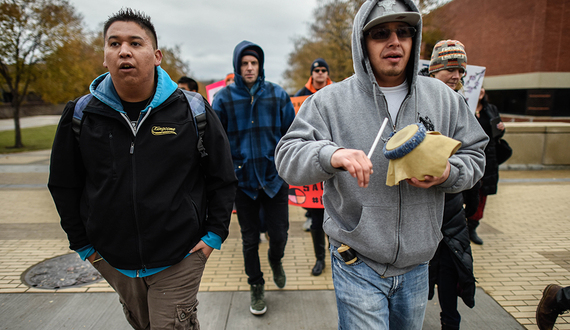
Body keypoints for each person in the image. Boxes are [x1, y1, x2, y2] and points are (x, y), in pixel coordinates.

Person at [275, 0, 488, 329]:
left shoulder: (444, 98)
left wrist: (448, 173)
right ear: (362, 42)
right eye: (380, 33)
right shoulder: (329, 101)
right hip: (356, 262)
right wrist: (331, 155)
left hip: (418, 265)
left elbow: (476, 155)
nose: (394, 41)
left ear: (414, 40)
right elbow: (287, 157)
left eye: (404, 32)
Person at [47, 8, 237, 330]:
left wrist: (213, 236)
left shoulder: (192, 110)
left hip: (181, 255)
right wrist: (84, 246)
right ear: (105, 57)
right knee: (142, 323)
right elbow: (65, 184)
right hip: (112, 259)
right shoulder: (81, 115)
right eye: (114, 43)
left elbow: (222, 177)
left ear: (156, 55)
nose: (124, 51)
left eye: (136, 43)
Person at [212, 40, 295, 316]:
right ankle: (256, 285)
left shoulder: (277, 95)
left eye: (254, 63)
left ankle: (276, 259)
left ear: (260, 66)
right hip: (243, 183)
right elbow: (217, 142)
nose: (249, 68)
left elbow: (291, 136)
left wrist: (285, 167)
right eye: (244, 63)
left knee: (279, 235)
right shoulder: (223, 99)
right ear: (237, 66)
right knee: (249, 241)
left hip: (274, 179)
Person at [424, 39, 476, 330]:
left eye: (461, 71)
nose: (456, 76)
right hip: (418, 201)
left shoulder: (463, 106)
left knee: (449, 267)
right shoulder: (415, 100)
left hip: (452, 203)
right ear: (434, 71)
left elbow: (476, 157)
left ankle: (450, 322)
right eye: (450, 69)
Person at [294, 58, 334, 276]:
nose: (320, 73)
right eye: (316, 70)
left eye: (323, 70)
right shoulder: (301, 95)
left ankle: (335, 255)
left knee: (336, 215)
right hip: (312, 163)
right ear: (312, 73)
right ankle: (320, 259)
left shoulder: (337, 91)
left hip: (335, 161)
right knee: (317, 219)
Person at [466, 86, 506, 244]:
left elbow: (497, 133)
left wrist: (501, 129)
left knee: (482, 195)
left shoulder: (491, 109)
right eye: (478, 87)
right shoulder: (464, 105)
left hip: (489, 157)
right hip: (468, 155)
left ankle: (472, 228)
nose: (480, 90)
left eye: (482, 88)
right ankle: (462, 224)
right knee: (466, 192)